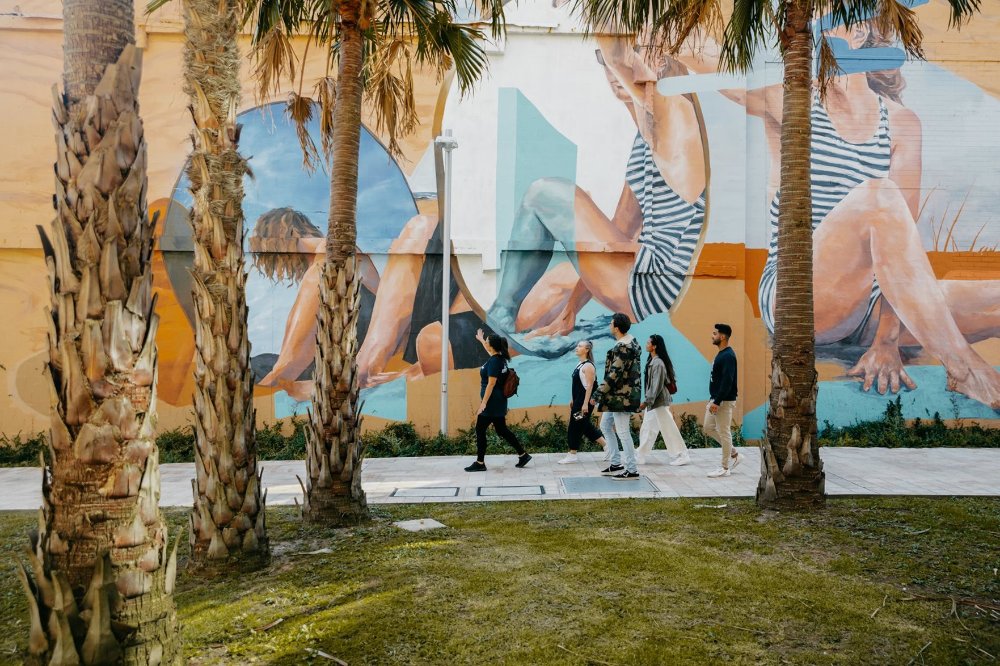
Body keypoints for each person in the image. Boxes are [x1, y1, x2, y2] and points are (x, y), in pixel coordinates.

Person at [679, 23, 1000, 408]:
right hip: (799, 297)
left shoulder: (901, 125)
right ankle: (963, 367)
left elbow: (902, 255)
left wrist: (886, 341)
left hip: (867, 306)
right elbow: (711, 60)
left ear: (861, 30)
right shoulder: (789, 100)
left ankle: (941, 354)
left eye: (826, 16)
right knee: (879, 195)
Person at [484, 36, 708, 357]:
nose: (613, 72)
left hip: (653, 287)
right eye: (604, 62)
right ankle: (521, 333)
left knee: (543, 193)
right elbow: (620, 228)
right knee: (557, 281)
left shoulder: (670, 123)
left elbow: (619, 56)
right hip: (647, 282)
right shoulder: (645, 141)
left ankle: (501, 313)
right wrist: (571, 311)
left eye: (634, 58)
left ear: (659, 65)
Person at [464, 330, 531, 472]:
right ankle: (523, 454)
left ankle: (480, 463)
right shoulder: (499, 358)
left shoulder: (495, 362)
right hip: (498, 401)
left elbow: (491, 384)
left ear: (492, 346)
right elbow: (490, 353)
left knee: (480, 429)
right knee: (502, 430)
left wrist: (483, 403)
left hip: (492, 402)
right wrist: (481, 340)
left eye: (487, 341)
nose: (486, 342)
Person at [591, 313, 643, 480]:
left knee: (622, 431)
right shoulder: (628, 343)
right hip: (616, 396)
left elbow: (614, 373)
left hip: (622, 396)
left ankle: (632, 469)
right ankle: (616, 463)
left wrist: (597, 394)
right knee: (606, 426)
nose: (609, 325)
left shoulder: (623, 348)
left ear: (617, 328)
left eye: (611, 323)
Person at [636, 334, 690, 466]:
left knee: (668, 428)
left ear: (654, 346)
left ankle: (682, 454)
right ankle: (641, 455)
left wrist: (646, 402)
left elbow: (656, 386)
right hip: (655, 402)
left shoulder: (658, 363)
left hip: (659, 402)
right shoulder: (653, 361)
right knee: (648, 428)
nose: (646, 344)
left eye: (648, 343)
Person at [559, 340, 609, 464]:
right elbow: (577, 384)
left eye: (580, 346)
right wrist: (573, 398)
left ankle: (572, 453)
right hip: (579, 401)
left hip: (584, 403)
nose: (577, 348)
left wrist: (585, 404)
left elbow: (590, 387)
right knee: (584, 425)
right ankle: (608, 447)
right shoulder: (580, 365)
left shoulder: (588, 366)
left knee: (575, 425)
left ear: (587, 350)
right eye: (577, 346)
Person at [705, 324, 740, 478]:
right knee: (708, 427)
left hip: (723, 401)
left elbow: (727, 381)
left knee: (724, 432)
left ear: (723, 337)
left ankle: (725, 468)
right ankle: (733, 452)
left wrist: (717, 401)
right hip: (716, 399)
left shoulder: (728, 356)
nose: (712, 336)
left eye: (715, 333)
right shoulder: (722, 354)